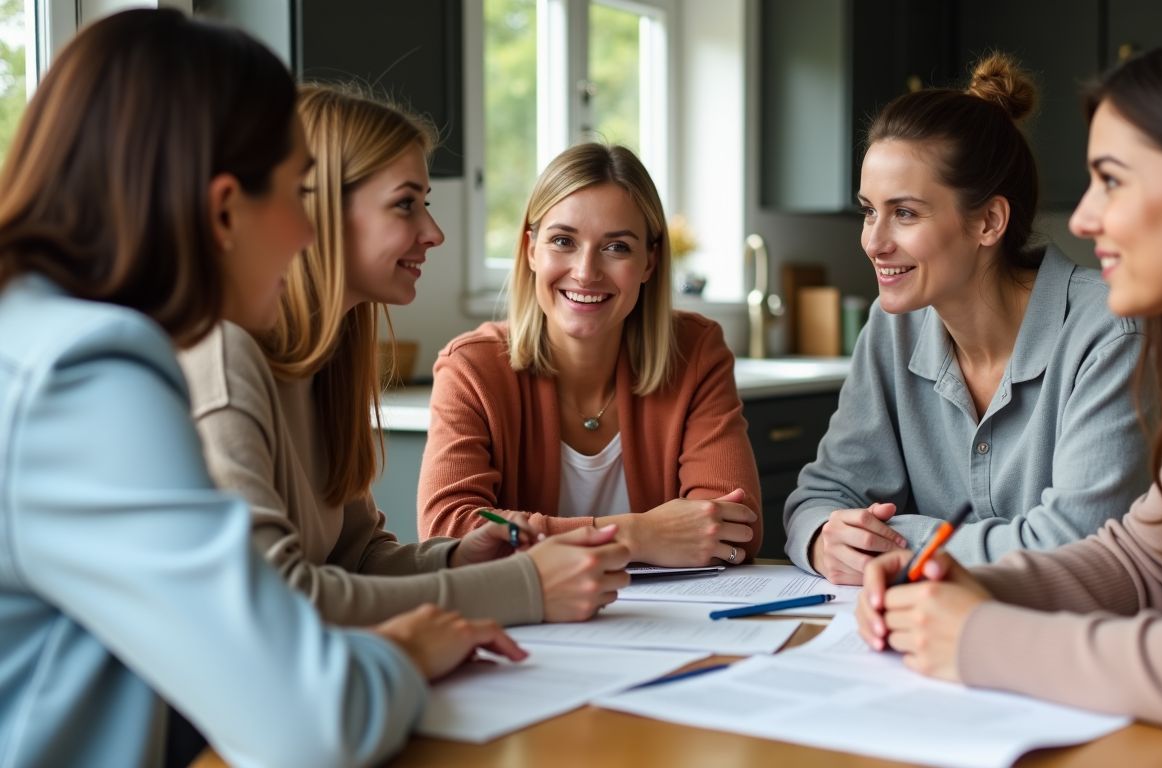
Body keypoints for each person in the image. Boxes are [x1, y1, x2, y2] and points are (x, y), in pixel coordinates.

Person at [0, 10, 524, 767]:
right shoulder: (87, 373)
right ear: (222, 211)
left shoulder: (34, 338)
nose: (308, 234)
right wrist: (405, 650)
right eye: (293, 192)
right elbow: (308, 724)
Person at [857, 30, 1162, 757]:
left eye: (1112, 180)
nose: (1083, 219)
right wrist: (973, 583)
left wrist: (981, 635)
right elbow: (1143, 560)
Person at [179, 83, 629, 628]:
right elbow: (277, 602)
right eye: (405, 204)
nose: (433, 232)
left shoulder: (331, 360)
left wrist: (456, 558)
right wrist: (524, 587)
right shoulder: (226, 357)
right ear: (318, 209)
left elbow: (357, 558)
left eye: (426, 205)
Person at [784, 53, 1151, 585]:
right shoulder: (891, 329)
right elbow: (821, 498)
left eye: (904, 213)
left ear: (989, 222)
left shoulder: (1110, 332)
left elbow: (1076, 544)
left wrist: (896, 542)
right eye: (869, 210)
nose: (873, 241)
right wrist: (826, 538)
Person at [418, 143, 762, 567]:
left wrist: (555, 536)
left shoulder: (695, 352)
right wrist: (637, 535)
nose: (585, 271)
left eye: (616, 247)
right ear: (531, 250)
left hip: (666, 625)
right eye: (563, 240)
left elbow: (735, 530)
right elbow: (450, 530)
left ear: (649, 262)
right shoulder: (471, 369)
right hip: (527, 623)